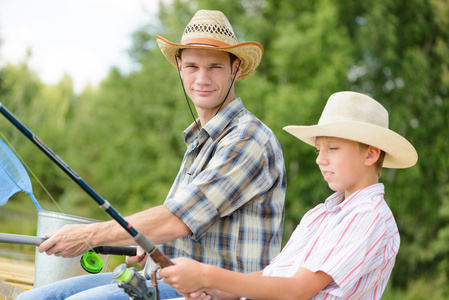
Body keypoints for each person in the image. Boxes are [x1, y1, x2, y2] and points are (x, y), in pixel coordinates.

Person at [17, 10, 286, 300]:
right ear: (180, 67)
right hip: (163, 277)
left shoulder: (248, 139)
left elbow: (177, 219)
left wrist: (88, 236)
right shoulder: (201, 140)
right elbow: (181, 224)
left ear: (235, 69)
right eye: (193, 66)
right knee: (30, 298)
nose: (202, 78)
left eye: (215, 67)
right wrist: (147, 243)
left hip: (214, 293)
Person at [159, 91, 418, 300]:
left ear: (371, 154)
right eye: (318, 150)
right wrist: (222, 292)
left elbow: (296, 291)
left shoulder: (368, 216)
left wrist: (207, 276)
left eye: (333, 148)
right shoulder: (320, 215)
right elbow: (276, 274)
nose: (321, 159)